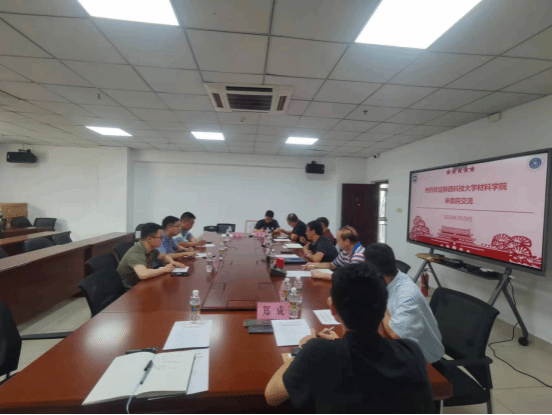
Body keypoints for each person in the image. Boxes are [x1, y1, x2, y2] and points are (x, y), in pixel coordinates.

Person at [264, 263, 434, 413]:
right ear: (384, 309)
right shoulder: (412, 351)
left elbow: (271, 396)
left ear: (333, 309)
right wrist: (337, 345)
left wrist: (303, 349)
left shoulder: (317, 352)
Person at [364, 243, 445, 365]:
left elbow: (396, 333)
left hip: (425, 360)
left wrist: (380, 304)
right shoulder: (388, 280)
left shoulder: (408, 294)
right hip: (399, 347)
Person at [117, 223, 187, 290]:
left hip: (142, 284)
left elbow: (164, 256)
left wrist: (172, 262)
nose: (162, 240)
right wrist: (164, 269)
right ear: (150, 239)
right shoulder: (136, 252)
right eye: (160, 237)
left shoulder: (151, 249)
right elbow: (143, 274)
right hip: (129, 291)